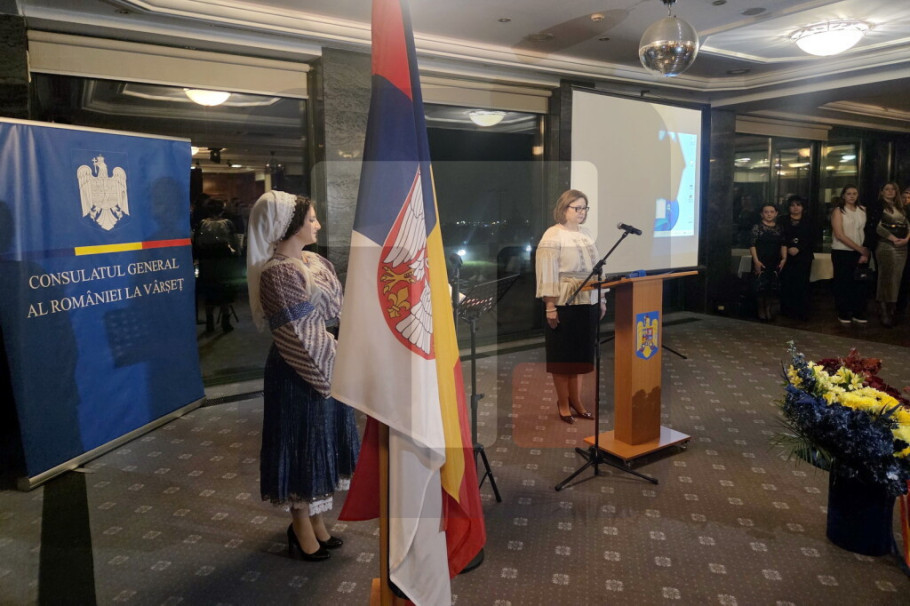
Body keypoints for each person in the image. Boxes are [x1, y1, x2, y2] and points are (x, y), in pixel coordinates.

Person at [246, 191, 360, 561]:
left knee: (320, 438)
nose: (318, 225)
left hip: (328, 357)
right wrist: (337, 364)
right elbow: (298, 332)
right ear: (289, 225)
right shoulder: (277, 273)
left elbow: (336, 307)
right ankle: (300, 525)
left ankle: (316, 520)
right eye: (311, 219)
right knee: (300, 441)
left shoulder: (314, 261)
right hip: (299, 367)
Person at [535, 189, 606, 424]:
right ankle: (563, 403)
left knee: (581, 356)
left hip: (589, 301)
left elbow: (597, 270)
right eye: (577, 208)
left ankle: (577, 401)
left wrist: (602, 299)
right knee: (563, 357)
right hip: (564, 303)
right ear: (564, 209)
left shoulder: (586, 234)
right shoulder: (553, 235)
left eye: (584, 208)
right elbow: (547, 273)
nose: (582, 212)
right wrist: (550, 306)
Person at [194, 198, 239, 333]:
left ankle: (210, 323)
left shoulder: (202, 223)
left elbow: (197, 242)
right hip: (224, 262)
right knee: (225, 291)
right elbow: (235, 243)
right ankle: (226, 323)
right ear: (222, 210)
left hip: (207, 263)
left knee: (209, 292)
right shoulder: (228, 223)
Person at [830, 185, 870, 325]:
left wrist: (864, 251)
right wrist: (859, 249)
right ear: (843, 195)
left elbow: (867, 231)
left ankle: (857, 311)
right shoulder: (838, 211)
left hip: (860, 251)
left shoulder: (863, 210)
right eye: (849, 193)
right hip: (842, 251)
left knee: (859, 282)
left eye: (854, 193)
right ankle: (843, 311)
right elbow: (839, 235)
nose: (852, 196)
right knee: (843, 282)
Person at [872, 182, 909, 327]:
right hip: (886, 246)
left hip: (902, 247)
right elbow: (877, 227)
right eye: (886, 189)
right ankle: (883, 309)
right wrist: (893, 238)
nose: (890, 191)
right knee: (885, 277)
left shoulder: (901, 207)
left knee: (896, 278)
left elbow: (908, 225)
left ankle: (892, 307)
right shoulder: (878, 206)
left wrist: (906, 239)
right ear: (881, 192)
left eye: (893, 189)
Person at [778, 195, 815, 321]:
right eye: (792, 205)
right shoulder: (782, 220)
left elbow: (812, 237)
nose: (795, 208)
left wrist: (799, 248)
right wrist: (788, 247)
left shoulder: (809, 220)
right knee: (787, 282)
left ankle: (802, 311)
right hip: (786, 255)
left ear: (803, 207)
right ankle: (787, 310)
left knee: (802, 283)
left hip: (804, 256)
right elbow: (779, 235)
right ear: (788, 207)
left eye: (798, 205)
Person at [749, 203, 786, 321]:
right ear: (761, 214)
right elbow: (752, 245)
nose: (769, 214)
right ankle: (761, 310)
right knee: (760, 287)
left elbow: (783, 243)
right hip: (760, 260)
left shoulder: (780, 228)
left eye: (771, 212)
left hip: (774, 260)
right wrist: (756, 261)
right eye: (766, 212)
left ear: (776, 213)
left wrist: (784, 258)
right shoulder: (757, 227)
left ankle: (768, 310)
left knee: (772, 288)